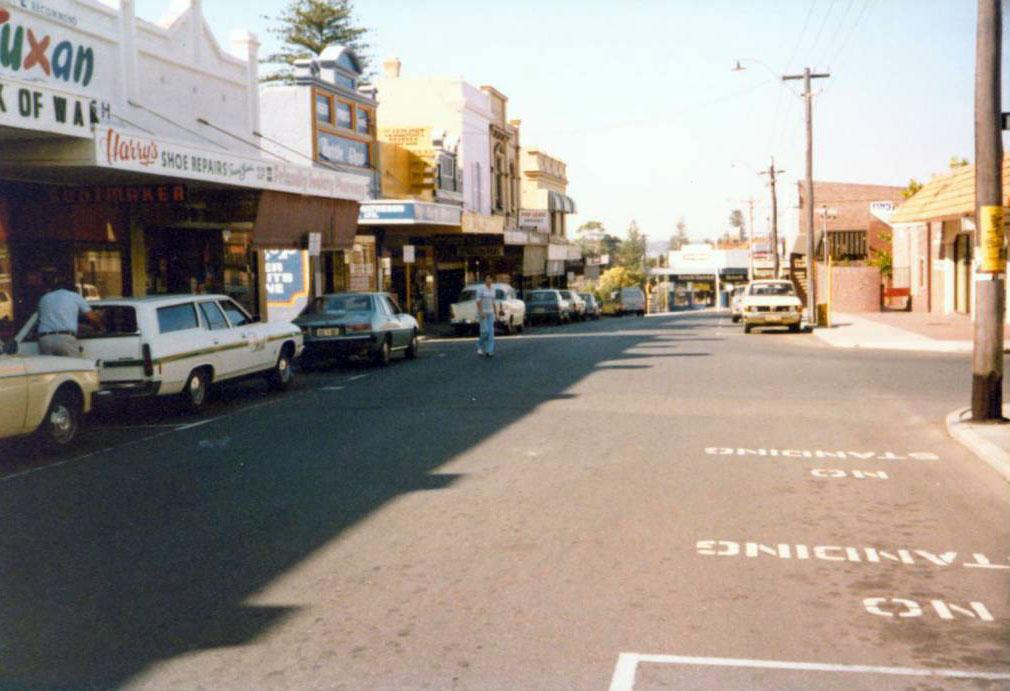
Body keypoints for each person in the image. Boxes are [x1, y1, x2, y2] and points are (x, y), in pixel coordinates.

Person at [37, 275, 102, 357]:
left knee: (50, 369)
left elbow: (40, 319)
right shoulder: (75, 297)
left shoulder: (44, 298)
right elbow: (91, 317)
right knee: (74, 367)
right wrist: (100, 327)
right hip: (65, 339)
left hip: (45, 339)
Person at [475, 274, 499, 358]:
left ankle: (489, 350)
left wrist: (496, 313)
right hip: (483, 312)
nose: (489, 280)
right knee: (485, 332)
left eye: (490, 278)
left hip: (491, 312)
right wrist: (481, 312)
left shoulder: (493, 289)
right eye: (487, 278)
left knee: (491, 332)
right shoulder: (481, 289)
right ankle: (479, 345)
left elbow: (493, 302)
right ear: (485, 279)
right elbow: (478, 301)